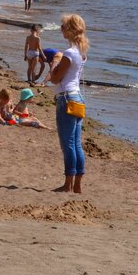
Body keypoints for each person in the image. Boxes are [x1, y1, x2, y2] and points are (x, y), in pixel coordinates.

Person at [48, 13, 88, 194]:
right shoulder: (81, 51)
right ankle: (77, 184)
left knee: (68, 143)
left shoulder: (69, 53)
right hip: (77, 97)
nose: (60, 29)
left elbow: (55, 79)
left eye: (63, 27)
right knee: (76, 143)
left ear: (70, 30)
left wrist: (54, 62)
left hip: (66, 98)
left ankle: (68, 183)